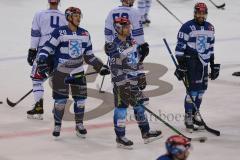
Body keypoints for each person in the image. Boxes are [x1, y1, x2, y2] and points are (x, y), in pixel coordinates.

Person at [37, 7, 110, 138]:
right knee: (60, 102)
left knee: (80, 101)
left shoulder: (85, 34)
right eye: (75, 15)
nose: (78, 18)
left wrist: (100, 67)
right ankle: (57, 124)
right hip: (61, 73)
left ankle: (79, 124)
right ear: (69, 17)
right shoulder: (59, 32)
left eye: (79, 15)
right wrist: (42, 59)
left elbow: (89, 56)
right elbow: (47, 47)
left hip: (78, 72)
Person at [105, 17, 162, 149]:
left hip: (134, 80)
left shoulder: (133, 41)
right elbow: (115, 68)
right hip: (121, 84)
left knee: (140, 106)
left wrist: (141, 75)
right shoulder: (114, 46)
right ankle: (120, 137)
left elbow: (137, 61)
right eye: (125, 27)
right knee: (121, 109)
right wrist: (123, 84)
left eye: (129, 26)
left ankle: (146, 132)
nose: (129, 28)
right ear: (118, 28)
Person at [174, 2, 220, 132]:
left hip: (203, 63)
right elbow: (179, 48)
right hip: (191, 62)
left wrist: (212, 64)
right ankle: (188, 117)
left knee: (201, 92)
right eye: (199, 12)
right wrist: (181, 64)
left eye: (203, 13)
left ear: (205, 14)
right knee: (192, 92)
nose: (201, 15)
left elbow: (210, 48)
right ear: (195, 13)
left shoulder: (210, 28)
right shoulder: (187, 27)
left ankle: (195, 114)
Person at [27, 0, 67, 120]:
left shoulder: (39, 14)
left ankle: (38, 106)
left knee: (37, 79)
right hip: (58, 52)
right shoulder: (65, 16)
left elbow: (35, 33)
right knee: (58, 80)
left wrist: (32, 50)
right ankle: (58, 109)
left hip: (43, 51)